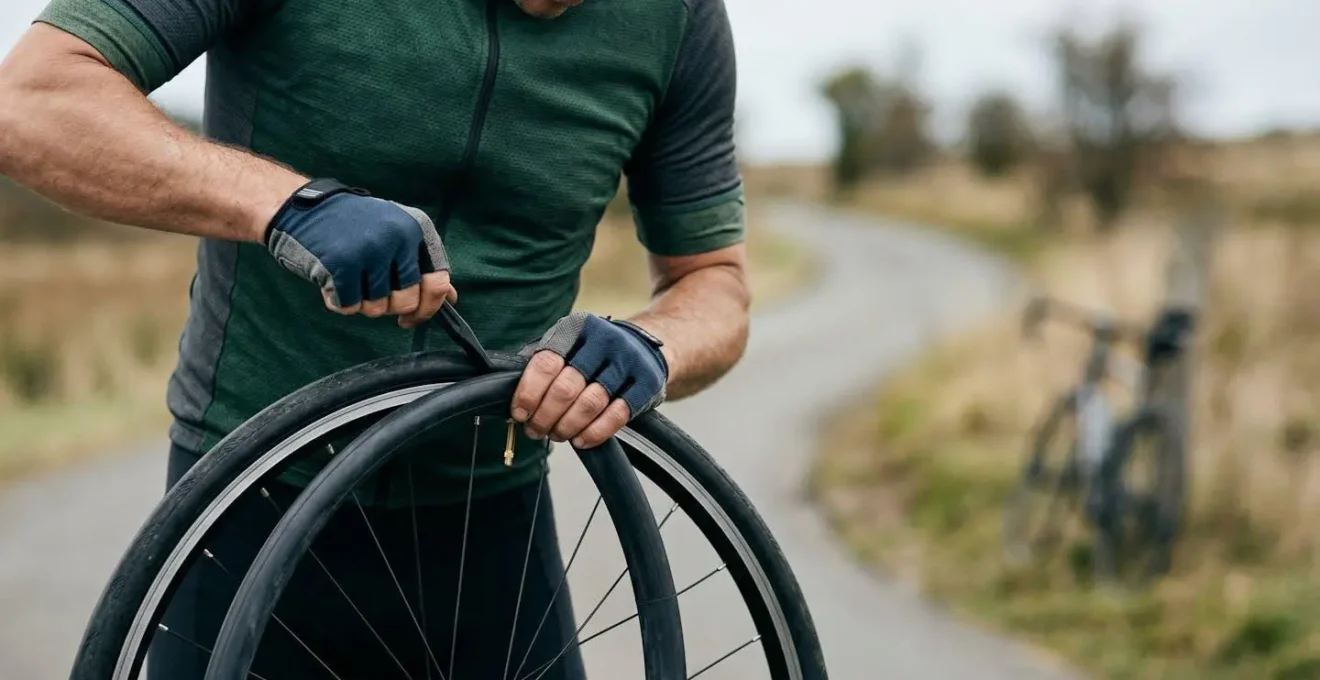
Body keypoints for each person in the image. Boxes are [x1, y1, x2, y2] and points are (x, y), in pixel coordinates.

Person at [0, 0, 751, 677]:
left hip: (494, 540)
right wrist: (289, 205)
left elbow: (716, 284)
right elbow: (32, 102)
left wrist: (653, 346)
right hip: (252, 507)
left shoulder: (679, 19)